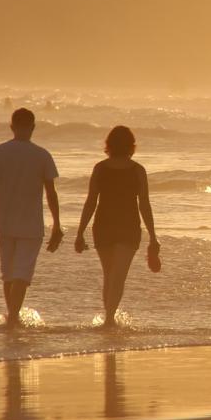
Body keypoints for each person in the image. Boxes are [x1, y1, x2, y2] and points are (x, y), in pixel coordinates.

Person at [0, 108, 63, 328]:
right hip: (31, 223)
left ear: (12, 127)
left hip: (4, 221)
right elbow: (51, 192)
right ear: (33, 127)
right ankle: (14, 319)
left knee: (9, 274)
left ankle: (12, 317)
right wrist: (56, 224)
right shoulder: (42, 154)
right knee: (21, 274)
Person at [74, 126, 158, 328]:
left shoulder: (100, 168)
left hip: (103, 226)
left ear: (108, 145)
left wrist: (80, 232)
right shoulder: (138, 170)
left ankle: (108, 318)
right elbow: (144, 204)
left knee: (110, 275)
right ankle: (109, 319)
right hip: (128, 227)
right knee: (117, 276)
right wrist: (153, 236)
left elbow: (90, 202)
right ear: (131, 146)